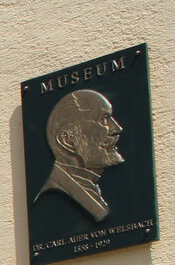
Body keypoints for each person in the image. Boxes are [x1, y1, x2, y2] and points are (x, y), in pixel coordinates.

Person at [37, 89, 124, 223]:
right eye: (104, 120)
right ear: (68, 140)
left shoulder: (88, 186)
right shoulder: (53, 198)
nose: (117, 128)